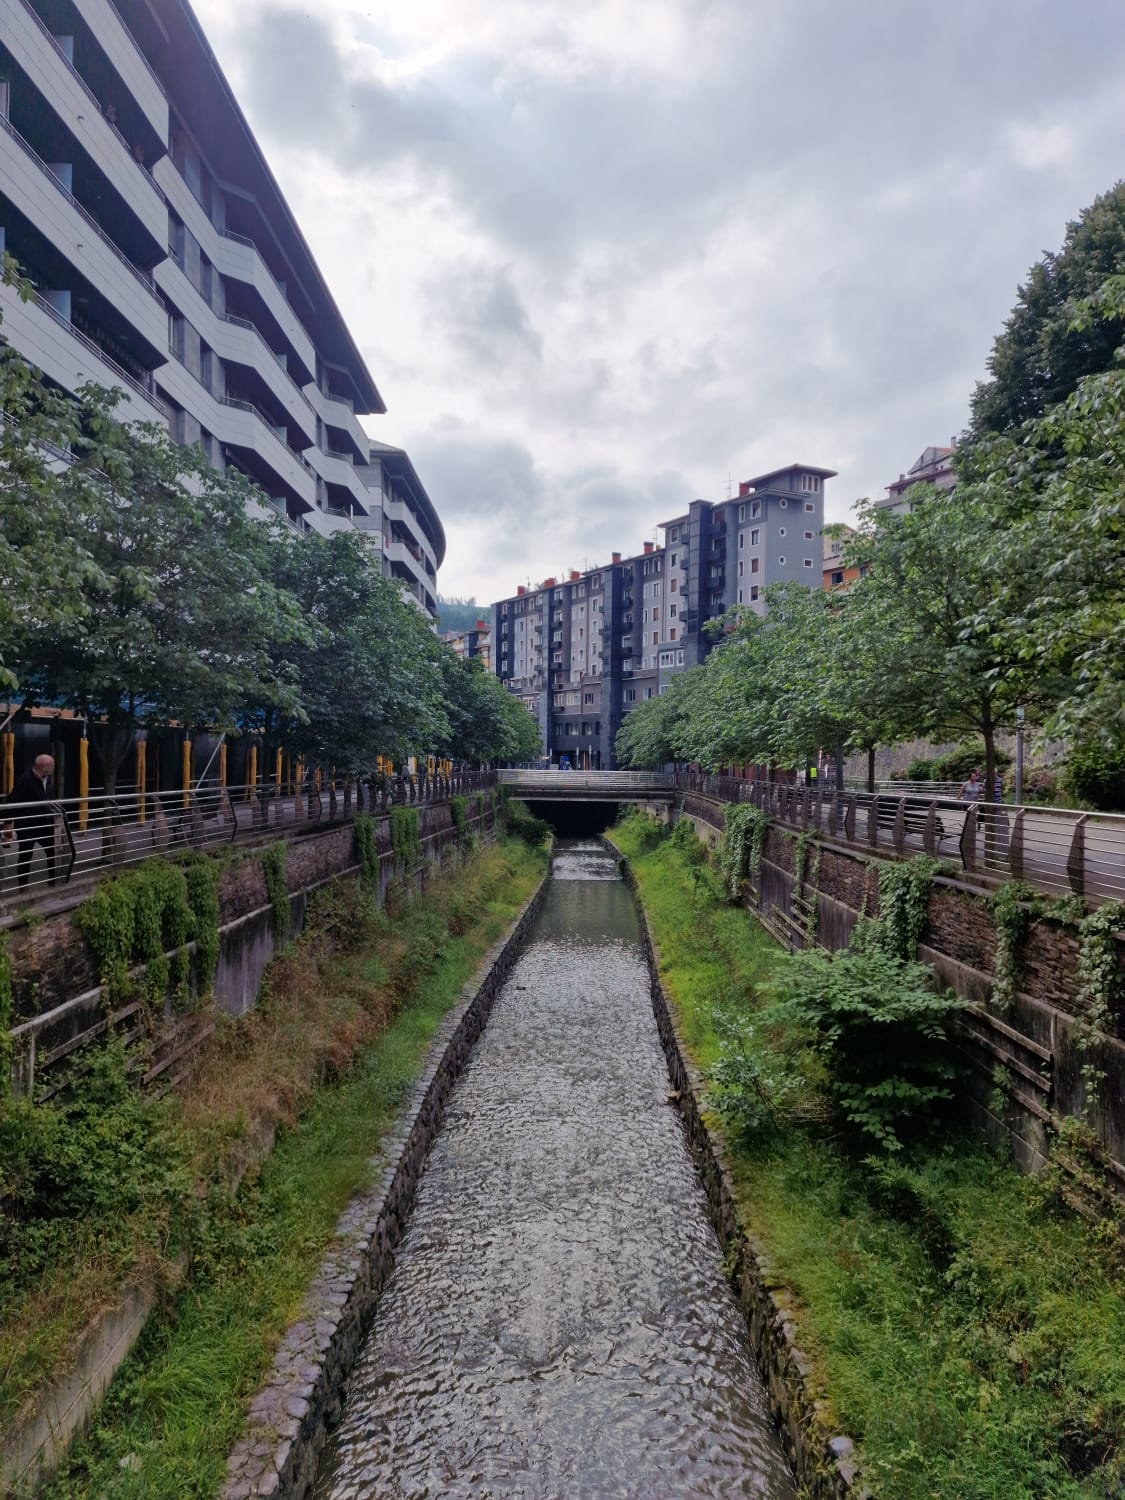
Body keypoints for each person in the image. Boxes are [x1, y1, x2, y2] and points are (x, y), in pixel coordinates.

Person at [9, 754, 57, 888]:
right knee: (25, 855)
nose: (54, 768)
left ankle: (53, 883)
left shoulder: (48, 778)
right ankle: (22, 887)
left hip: (44, 824)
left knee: (52, 852)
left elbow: (48, 796)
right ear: (44, 768)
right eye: (52, 766)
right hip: (28, 825)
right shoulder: (25, 780)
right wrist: (8, 824)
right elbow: (12, 801)